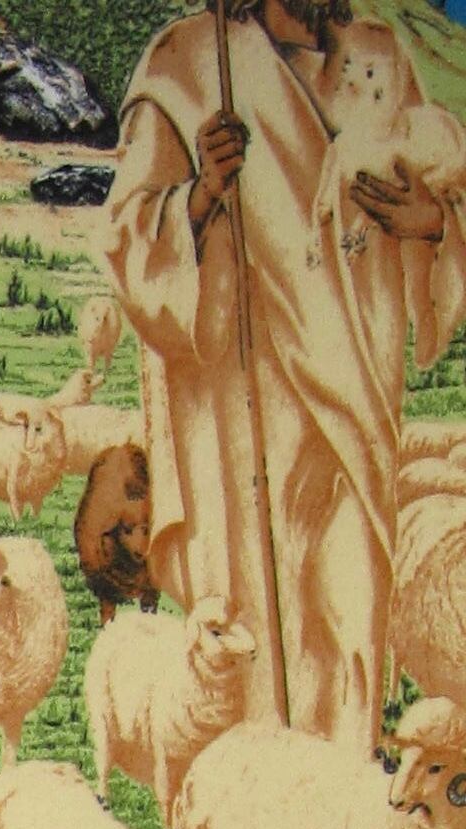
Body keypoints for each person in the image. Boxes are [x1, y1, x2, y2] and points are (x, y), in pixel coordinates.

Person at [104, 0, 466, 752]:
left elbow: (444, 186)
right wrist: (200, 195)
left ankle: (339, 800)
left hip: (358, 404)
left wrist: (431, 223)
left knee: (351, 619)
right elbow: (127, 238)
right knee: (257, 637)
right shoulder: (189, 64)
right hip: (243, 409)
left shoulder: (380, 57)